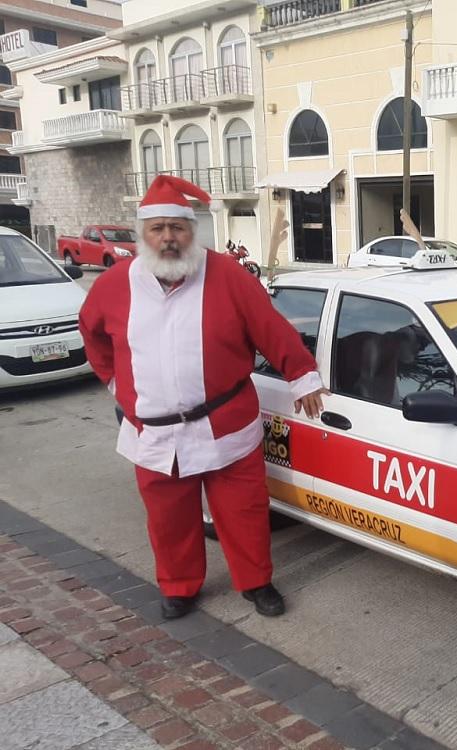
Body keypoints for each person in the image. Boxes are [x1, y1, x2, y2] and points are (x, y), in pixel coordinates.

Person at [79, 175, 326, 620]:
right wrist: (118, 385)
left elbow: (270, 328)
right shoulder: (115, 285)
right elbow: (93, 336)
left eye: (178, 228)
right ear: (143, 234)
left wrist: (302, 375)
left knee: (244, 512)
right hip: (153, 432)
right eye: (159, 229)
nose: (169, 238)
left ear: (192, 231)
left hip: (226, 423)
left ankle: (256, 582)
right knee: (169, 519)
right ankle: (179, 586)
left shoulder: (228, 276)